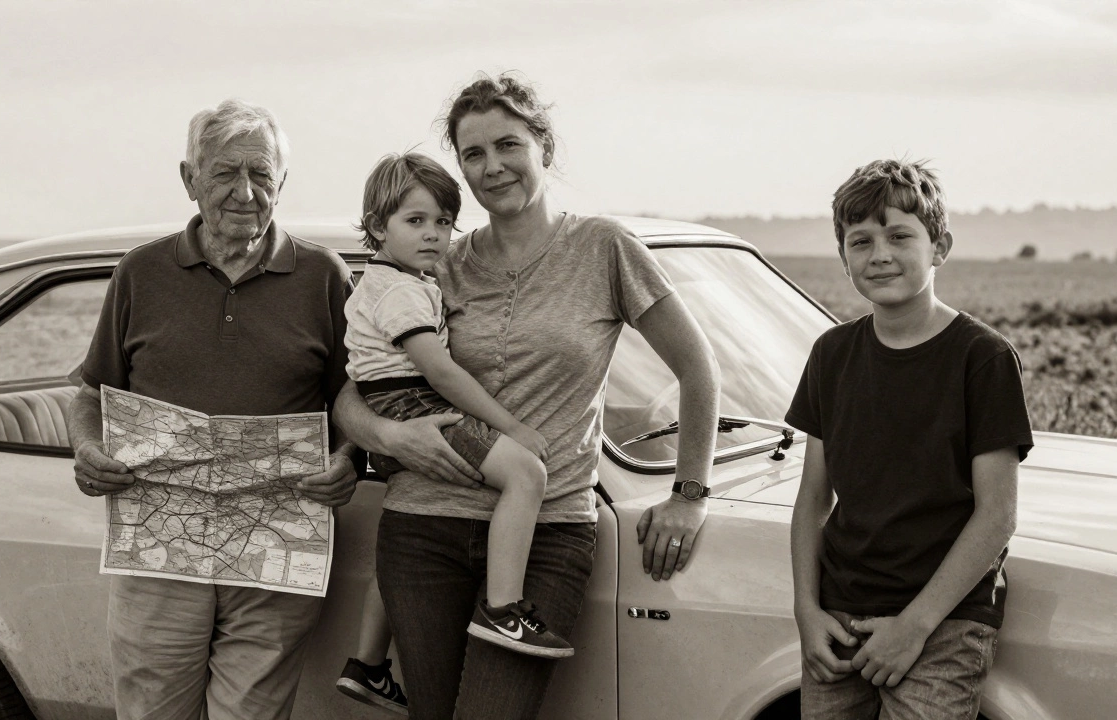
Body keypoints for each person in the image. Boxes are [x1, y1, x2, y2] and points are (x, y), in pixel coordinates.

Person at [332, 73, 722, 720]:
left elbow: (697, 367)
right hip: (422, 529)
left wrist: (690, 494)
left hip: (549, 532)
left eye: (508, 145)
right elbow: (356, 391)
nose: (493, 167)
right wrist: (387, 438)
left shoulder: (603, 249)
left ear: (543, 144)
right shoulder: (435, 261)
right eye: (473, 154)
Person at [66, 99, 363, 720]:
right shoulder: (139, 273)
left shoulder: (323, 277)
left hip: (276, 547)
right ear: (189, 178)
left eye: (261, 174)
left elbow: (353, 399)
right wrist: (88, 450)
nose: (245, 192)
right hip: (159, 553)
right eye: (226, 173)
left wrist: (348, 458)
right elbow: (92, 394)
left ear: (282, 183)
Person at [787, 159, 1034, 720]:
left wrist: (915, 626)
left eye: (900, 236)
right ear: (844, 257)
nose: (880, 255)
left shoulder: (982, 357)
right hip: (839, 616)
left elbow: (998, 516)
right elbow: (812, 502)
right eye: (860, 241)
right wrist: (806, 608)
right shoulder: (831, 354)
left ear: (938, 245)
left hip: (945, 621)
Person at [336, 151, 568, 714]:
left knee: (391, 565)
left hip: (389, 402)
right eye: (415, 222)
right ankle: (505, 607)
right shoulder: (401, 292)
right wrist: (511, 425)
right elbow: (439, 370)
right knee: (527, 474)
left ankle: (366, 664)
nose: (434, 235)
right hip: (412, 400)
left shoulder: (396, 280)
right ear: (376, 226)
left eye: (443, 222)